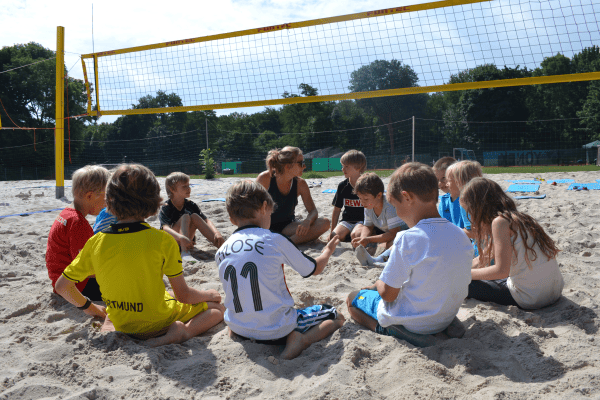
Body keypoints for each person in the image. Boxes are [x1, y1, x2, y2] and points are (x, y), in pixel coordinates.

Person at [55, 164, 225, 347]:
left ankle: (110, 321)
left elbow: (62, 286)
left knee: (164, 294)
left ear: (108, 201)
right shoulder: (163, 240)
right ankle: (184, 332)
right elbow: (184, 295)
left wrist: (91, 309)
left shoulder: (94, 242)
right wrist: (208, 293)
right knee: (218, 309)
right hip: (158, 323)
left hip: (122, 322)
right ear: (153, 204)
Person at [217, 180, 345, 359]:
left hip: (238, 326)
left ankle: (241, 329)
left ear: (231, 219)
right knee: (336, 315)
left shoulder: (222, 250)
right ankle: (302, 340)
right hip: (277, 328)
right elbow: (314, 269)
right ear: (264, 207)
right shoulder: (273, 239)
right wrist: (327, 251)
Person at [347, 163, 473, 344]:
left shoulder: (408, 238)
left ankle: (392, 330)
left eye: (394, 204)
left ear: (406, 197)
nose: (396, 211)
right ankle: (446, 326)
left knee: (352, 300)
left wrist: (379, 283)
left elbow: (388, 295)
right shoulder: (460, 235)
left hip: (416, 324)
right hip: (445, 316)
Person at [462, 177, 564, 309]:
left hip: (530, 297)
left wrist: (463, 275)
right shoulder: (517, 218)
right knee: (471, 277)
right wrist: (461, 269)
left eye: (469, 212)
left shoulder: (500, 222)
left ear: (478, 208)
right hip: (554, 291)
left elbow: (501, 271)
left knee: (466, 283)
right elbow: (485, 257)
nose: (470, 218)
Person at [46, 165, 110, 302]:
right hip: (76, 287)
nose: (106, 204)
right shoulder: (78, 223)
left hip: (60, 278)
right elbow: (86, 269)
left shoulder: (67, 213)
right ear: (90, 196)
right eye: (105, 198)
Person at [256, 146, 330, 244]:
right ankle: (288, 243)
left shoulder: (300, 184)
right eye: (301, 163)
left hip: (287, 227)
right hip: (264, 226)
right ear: (288, 166)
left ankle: (287, 243)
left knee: (324, 223)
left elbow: (313, 211)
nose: (304, 166)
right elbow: (251, 208)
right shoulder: (265, 178)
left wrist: (308, 221)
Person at [159, 172, 225, 251]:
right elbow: (165, 228)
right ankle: (185, 252)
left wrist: (216, 233)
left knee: (195, 216)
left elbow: (206, 220)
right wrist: (180, 237)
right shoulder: (166, 206)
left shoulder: (190, 204)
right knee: (185, 217)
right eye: (184, 186)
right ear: (172, 189)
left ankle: (221, 247)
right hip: (172, 242)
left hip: (187, 240)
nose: (189, 189)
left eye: (188, 186)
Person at [351, 172, 407, 262]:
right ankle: (376, 247)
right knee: (357, 234)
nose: (362, 202)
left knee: (391, 244)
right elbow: (368, 226)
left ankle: (380, 252)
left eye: (365, 199)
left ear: (379, 195)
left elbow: (394, 233)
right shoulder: (369, 205)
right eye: (360, 198)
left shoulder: (389, 206)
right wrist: (362, 239)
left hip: (402, 233)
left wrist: (368, 240)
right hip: (387, 232)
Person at [328, 150, 366, 242]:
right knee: (334, 236)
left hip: (363, 221)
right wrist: (332, 230)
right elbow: (337, 210)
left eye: (346, 166)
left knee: (356, 235)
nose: (343, 169)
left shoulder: (367, 185)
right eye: (342, 166)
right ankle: (347, 234)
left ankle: (354, 234)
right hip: (347, 221)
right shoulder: (342, 186)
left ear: (358, 167)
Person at [432, 156, 457, 222]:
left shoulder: (467, 200)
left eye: (443, 178)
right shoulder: (443, 201)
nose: (440, 183)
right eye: (437, 180)